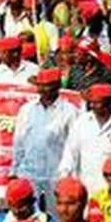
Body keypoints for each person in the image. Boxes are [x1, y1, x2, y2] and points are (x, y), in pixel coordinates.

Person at [12, 67, 79, 208]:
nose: (43, 89)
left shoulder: (69, 111)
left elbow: (74, 146)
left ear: (57, 87)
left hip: (56, 175)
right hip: (29, 173)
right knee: (31, 218)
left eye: (47, 85)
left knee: (57, 217)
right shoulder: (27, 110)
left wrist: (70, 175)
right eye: (40, 85)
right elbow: (19, 141)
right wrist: (15, 170)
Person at [58, 82, 111, 195]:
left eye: (98, 103)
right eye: (92, 102)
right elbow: (70, 152)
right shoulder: (81, 122)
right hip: (87, 185)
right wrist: (64, 176)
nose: (93, 106)